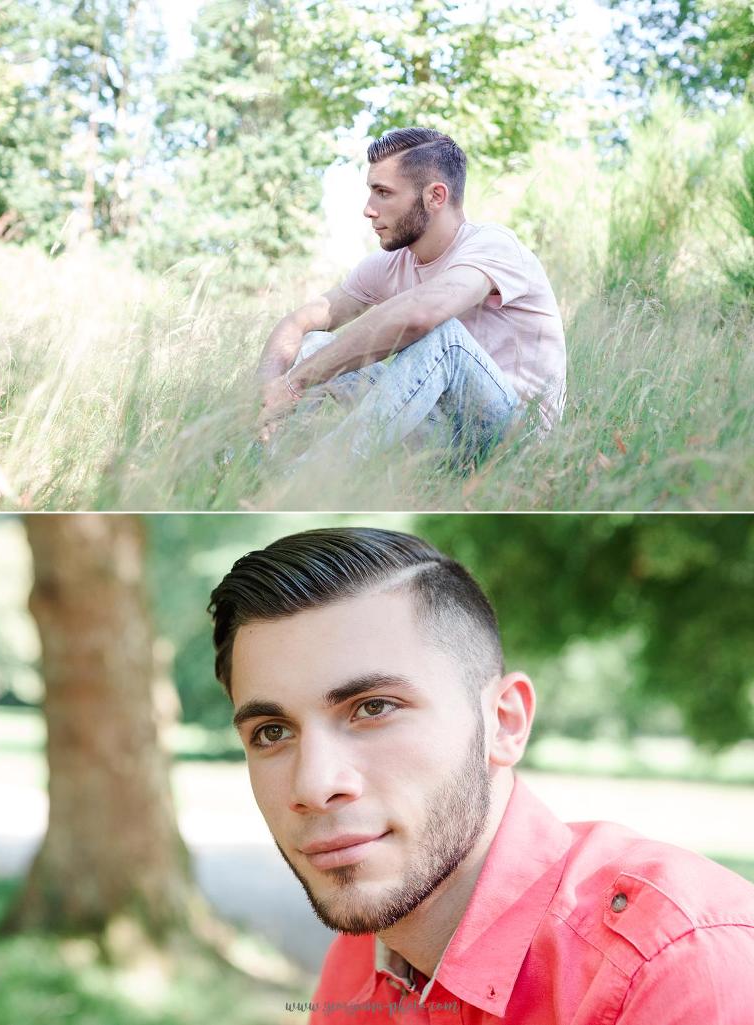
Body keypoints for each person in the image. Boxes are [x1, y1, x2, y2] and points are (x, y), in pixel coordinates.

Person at [208, 526, 754, 1025]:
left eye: (373, 708)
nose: (313, 786)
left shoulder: (680, 967)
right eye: (272, 732)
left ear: (503, 722)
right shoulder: (360, 962)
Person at [255, 128, 566, 465]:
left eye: (383, 193)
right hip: (440, 433)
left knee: (445, 338)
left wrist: (294, 383)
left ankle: (306, 478)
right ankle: (258, 463)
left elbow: (421, 316)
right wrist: (272, 392)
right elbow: (298, 322)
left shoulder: (494, 245)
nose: (368, 209)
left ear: (435, 196)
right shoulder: (388, 264)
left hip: (515, 441)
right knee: (314, 344)